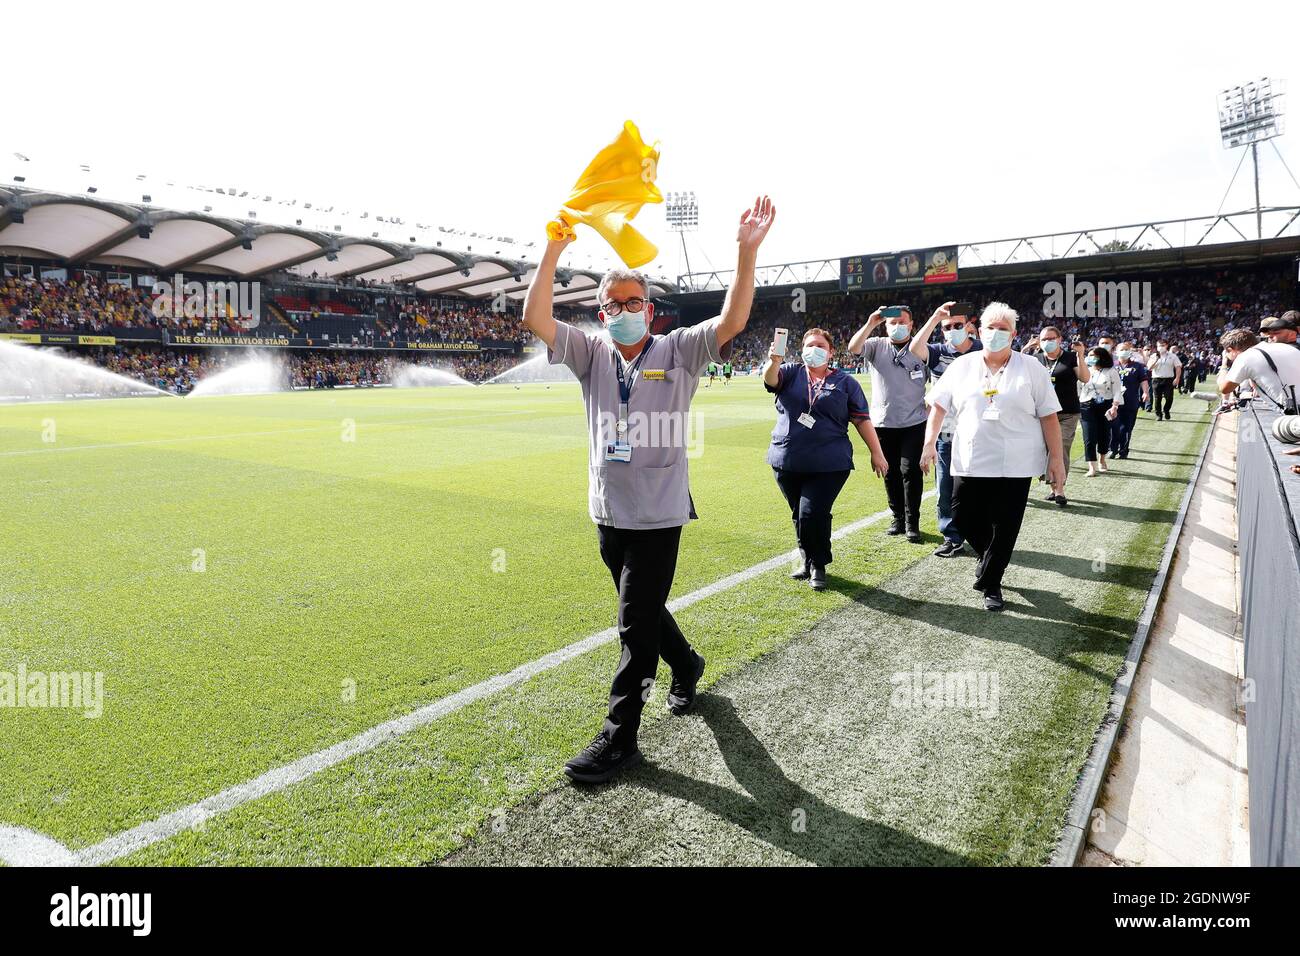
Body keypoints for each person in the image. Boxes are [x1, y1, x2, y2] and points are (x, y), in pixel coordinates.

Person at [523, 195, 776, 784]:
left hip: (659, 514)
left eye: (633, 301)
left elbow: (734, 321)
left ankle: (620, 738)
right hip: (609, 511)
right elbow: (536, 318)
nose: (623, 311)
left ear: (650, 309)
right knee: (644, 613)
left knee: (632, 630)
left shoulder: (679, 348)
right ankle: (687, 666)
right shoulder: (589, 353)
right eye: (613, 304)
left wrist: (745, 252)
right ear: (601, 311)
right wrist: (554, 247)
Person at [921, 303, 1066, 611]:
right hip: (971, 456)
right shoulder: (963, 366)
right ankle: (990, 560)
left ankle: (991, 582)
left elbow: (1050, 417)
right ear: (979, 331)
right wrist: (929, 443)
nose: (996, 333)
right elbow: (938, 406)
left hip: (1017, 460)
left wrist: (1056, 459)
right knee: (962, 516)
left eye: (1003, 329)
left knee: (1005, 524)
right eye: (991, 327)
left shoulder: (1032, 368)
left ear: (1013, 334)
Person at [763, 328, 888, 590]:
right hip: (787, 460)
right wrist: (774, 360)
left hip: (830, 463)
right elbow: (771, 380)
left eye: (820, 345)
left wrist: (877, 452)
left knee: (812, 513)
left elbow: (862, 420)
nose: (814, 350)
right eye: (809, 345)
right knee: (799, 514)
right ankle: (806, 559)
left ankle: (818, 564)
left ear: (831, 352)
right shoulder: (789, 372)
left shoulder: (846, 383)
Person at [846, 305, 930, 543]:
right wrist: (871, 322)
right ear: (885, 325)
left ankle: (912, 522)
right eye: (892, 323)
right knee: (890, 472)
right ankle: (898, 519)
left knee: (910, 472)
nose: (897, 326)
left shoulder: (919, 347)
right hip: (883, 423)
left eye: (902, 322)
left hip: (914, 422)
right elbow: (853, 348)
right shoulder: (876, 345)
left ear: (912, 324)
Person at [909, 300, 981, 557]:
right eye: (947, 326)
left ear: (969, 325)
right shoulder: (938, 351)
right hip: (946, 431)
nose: (952, 329)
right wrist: (934, 317)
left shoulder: (982, 350)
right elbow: (915, 347)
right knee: (945, 488)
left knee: (977, 486)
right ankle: (952, 536)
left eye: (957, 325)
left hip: (979, 431)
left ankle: (977, 532)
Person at [1022, 326, 1089, 507]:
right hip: (1041, 414)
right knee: (1043, 451)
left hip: (1067, 412)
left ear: (1059, 339)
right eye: (1043, 339)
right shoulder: (1035, 359)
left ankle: (1059, 489)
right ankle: (1052, 487)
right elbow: (1016, 370)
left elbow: (1085, 378)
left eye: (1051, 338)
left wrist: (1081, 356)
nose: (1047, 342)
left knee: (1060, 448)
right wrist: (1026, 349)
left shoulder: (1069, 358)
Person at [1218, 328, 1300, 410]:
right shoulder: (1282, 346)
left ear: (1230, 350)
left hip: (1293, 412)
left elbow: (1225, 389)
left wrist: (1224, 365)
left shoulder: (1245, 357)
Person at [1077, 345, 1124, 477]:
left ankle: (1102, 460)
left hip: (1105, 405)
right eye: (1089, 355)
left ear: (1101, 357)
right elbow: (1078, 388)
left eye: (1094, 356)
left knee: (1104, 434)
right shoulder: (1085, 370)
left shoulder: (1110, 371)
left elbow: (1117, 391)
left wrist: (1115, 406)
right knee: (1089, 436)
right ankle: (1091, 466)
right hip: (1086, 405)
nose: (1091, 358)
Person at [1110, 341, 1149, 459]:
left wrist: (1146, 392)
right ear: (1116, 352)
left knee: (1127, 427)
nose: (1124, 351)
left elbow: (1143, 380)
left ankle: (1123, 450)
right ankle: (1112, 449)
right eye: (1121, 349)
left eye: (1126, 349)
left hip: (1130, 400)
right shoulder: (1112, 366)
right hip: (1113, 402)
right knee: (1113, 426)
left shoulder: (1137, 366)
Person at [1146, 339, 1181, 420]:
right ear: (1157, 347)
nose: (1161, 347)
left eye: (1163, 345)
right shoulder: (1153, 356)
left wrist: (1177, 378)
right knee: (1157, 398)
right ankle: (1159, 414)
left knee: (1169, 397)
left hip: (1168, 379)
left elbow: (1178, 367)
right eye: (1159, 346)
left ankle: (1166, 410)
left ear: (1166, 346)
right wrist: (1156, 360)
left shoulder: (1172, 356)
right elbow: (1149, 368)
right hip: (1156, 379)